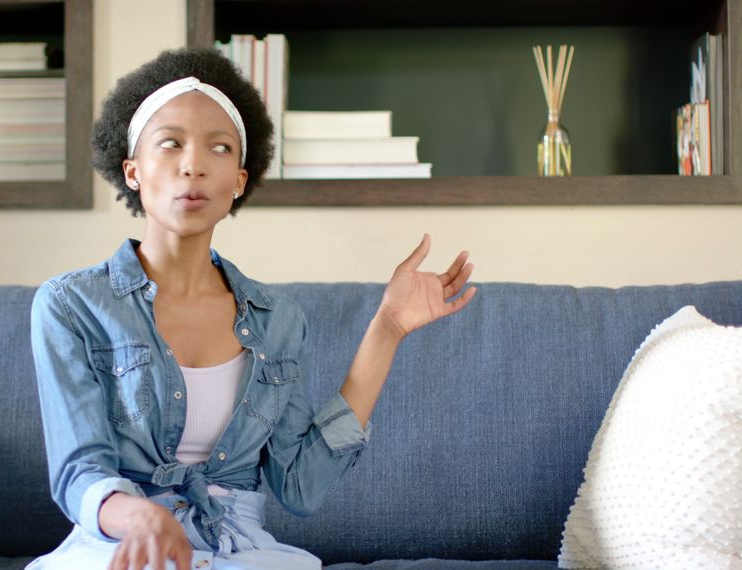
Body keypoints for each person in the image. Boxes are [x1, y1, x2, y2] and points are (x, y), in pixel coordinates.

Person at [27, 47, 476, 570]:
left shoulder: (278, 319)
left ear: (238, 180)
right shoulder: (70, 304)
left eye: (219, 148)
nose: (193, 165)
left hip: (237, 550)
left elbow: (300, 487)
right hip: (119, 548)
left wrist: (388, 329)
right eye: (170, 144)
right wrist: (142, 518)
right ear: (132, 170)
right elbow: (78, 469)